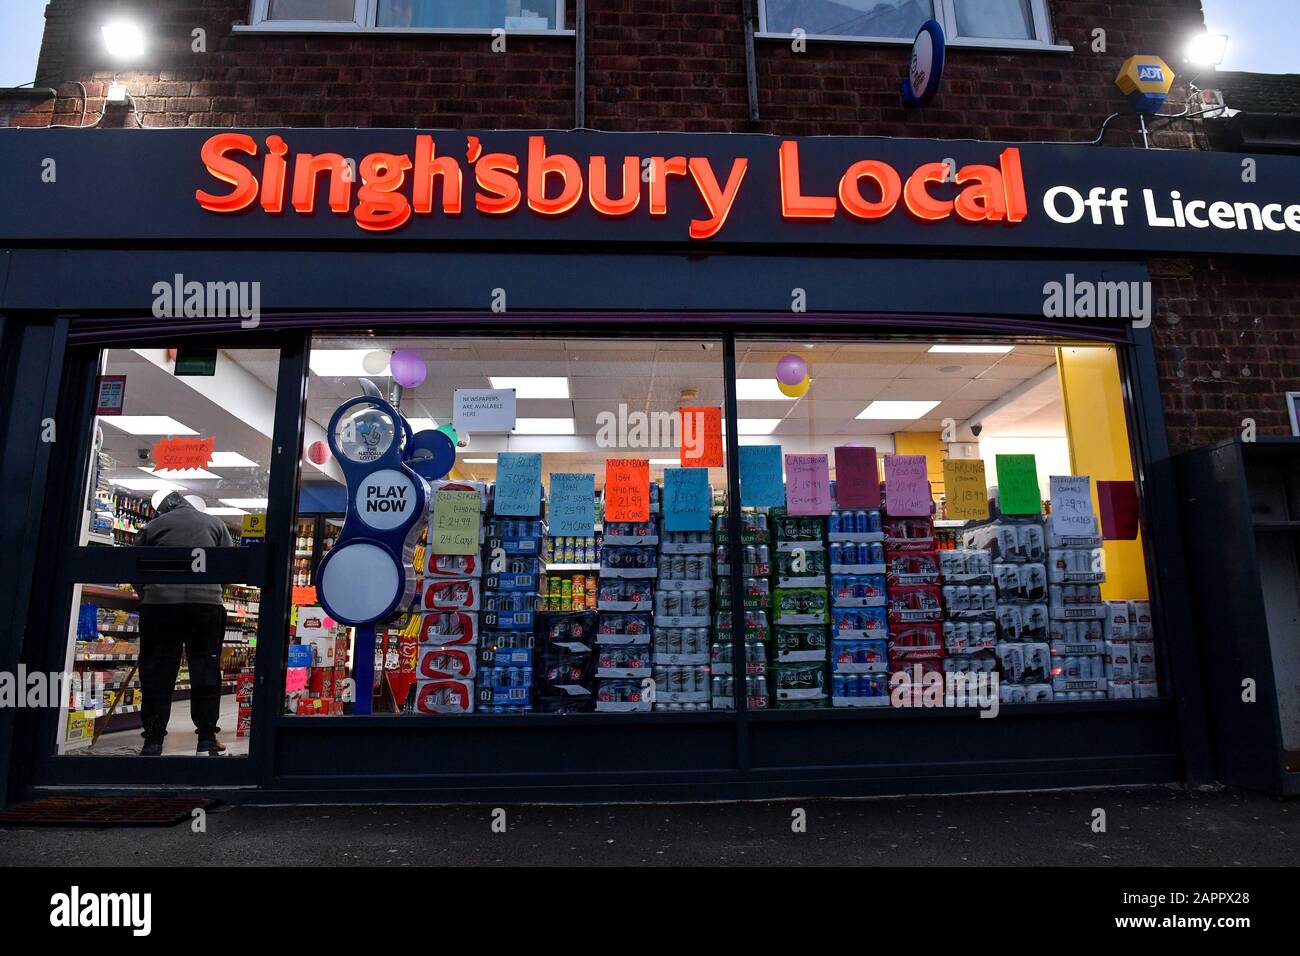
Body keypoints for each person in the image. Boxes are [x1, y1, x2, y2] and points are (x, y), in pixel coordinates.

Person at [131, 492, 234, 756]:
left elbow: (133, 567)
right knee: (205, 669)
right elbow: (230, 566)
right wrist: (211, 590)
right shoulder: (215, 524)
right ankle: (207, 738)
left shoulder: (152, 526)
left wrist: (149, 595)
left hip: (160, 607)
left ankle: (153, 740)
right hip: (206, 607)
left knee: (157, 672)